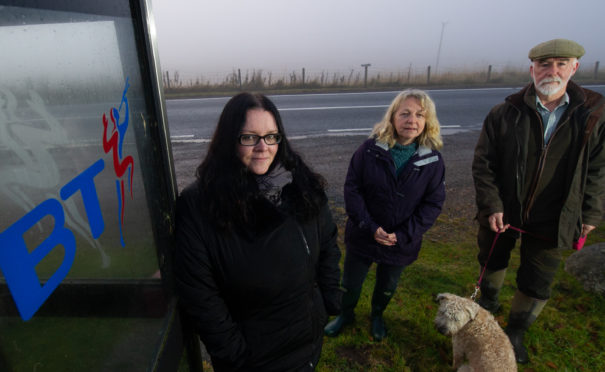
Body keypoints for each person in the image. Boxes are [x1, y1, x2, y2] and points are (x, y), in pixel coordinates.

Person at [174, 92, 342, 371]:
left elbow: (327, 242)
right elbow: (199, 292)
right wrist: (235, 354)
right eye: (249, 137)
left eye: (271, 136)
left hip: (306, 343)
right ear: (230, 140)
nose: (263, 147)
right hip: (252, 359)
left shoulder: (300, 184)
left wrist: (328, 299)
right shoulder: (201, 204)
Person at [472, 38, 605, 364]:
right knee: (492, 260)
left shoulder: (593, 115)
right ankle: (485, 311)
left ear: (574, 68)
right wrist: (492, 204)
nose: (552, 71)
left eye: (561, 64)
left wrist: (590, 211)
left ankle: (515, 332)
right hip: (504, 208)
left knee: (538, 277)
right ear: (532, 68)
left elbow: (599, 169)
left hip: (557, 213)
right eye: (545, 64)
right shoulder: (504, 112)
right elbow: (483, 163)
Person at [324, 89, 446, 341]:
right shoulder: (369, 150)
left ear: (427, 122)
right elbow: (352, 189)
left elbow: (432, 204)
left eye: (420, 115)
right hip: (364, 234)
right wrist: (369, 226)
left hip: (400, 242)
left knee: (387, 286)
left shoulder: (433, 160)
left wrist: (402, 235)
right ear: (392, 117)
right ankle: (345, 315)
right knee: (351, 282)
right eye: (405, 113)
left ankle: (377, 316)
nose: (412, 120)